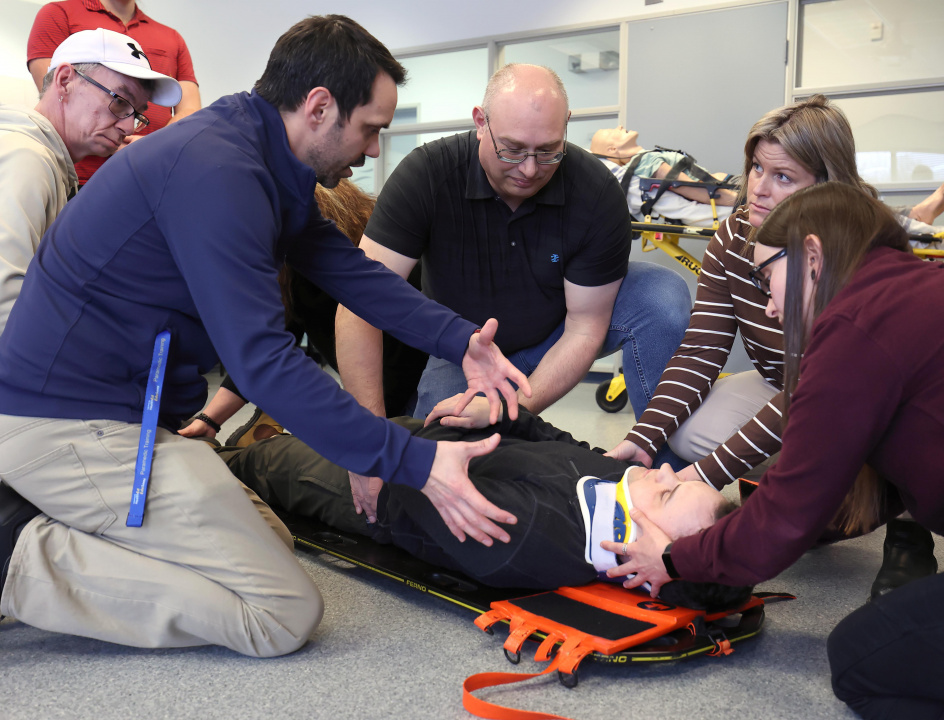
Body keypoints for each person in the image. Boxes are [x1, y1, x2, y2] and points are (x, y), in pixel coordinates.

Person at [0, 15, 531, 657]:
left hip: (129, 417)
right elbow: (262, 363)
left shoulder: (255, 152)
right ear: (319, 107)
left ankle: (80, 524)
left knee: (271, 548)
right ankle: (14, 559)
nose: (370, 152)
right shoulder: (216, 169)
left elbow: (344, 268)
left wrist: (459, 339)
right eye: (370, 130)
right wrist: (414, 463)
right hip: (64, 421)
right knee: (280, 615)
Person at [604, 182, 944, 718]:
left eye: (766, 278)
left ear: (812, 256)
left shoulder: (853, 328)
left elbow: (786, 520)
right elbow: (854, 488)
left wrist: (672, 558)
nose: (771, 306)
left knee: (859, 660)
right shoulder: (942, 285)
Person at [607, 95, 944, 598]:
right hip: (783, 386)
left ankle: (908, 527)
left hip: (867, 404)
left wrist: (706, 475)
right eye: (755, 169)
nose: (760, 190)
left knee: (863, 483)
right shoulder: (731, 236)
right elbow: (702, 348)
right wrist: (642, 438)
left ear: (826, 184)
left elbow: (822, 388)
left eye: (783, 177)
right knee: (684, 430)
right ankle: (799, 497)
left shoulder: (855, 250)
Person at [335, 63, 691, 505]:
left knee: (662, 296)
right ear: (480, 123)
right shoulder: (427, 174)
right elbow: (359, 306)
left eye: (548, 151)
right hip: (463, 350)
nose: (529, 169)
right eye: (512, 149)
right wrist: (368, 445)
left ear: (566, 130)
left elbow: (585, 326)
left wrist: (513, 407)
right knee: (429, 474)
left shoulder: (595, 192)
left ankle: (668, 480)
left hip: (555, 333)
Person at [218, 396, 745, 609]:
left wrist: (438, 428)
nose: (668, 469)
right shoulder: (617, 483)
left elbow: (418, 483)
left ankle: (242, 452)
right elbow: (547, 437)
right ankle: (266, 437)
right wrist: (492, 411)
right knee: (308, 423)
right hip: (408, 444)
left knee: (242, 469)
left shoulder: (527, 538)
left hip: (368, 487)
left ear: (640, 548)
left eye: (671, 491)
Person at [178, 181, 428, 442]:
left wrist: (364, 430)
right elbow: (263, 348)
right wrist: (210, 420)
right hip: (376, 391)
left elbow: (401, 368)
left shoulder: (378, 258)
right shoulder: (293, 273)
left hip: (412, 387)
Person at [0, 27, 180, 334]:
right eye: (120, 100)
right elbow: (6, 305)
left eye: (137, 112)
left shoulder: (48, 161)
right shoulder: (27, 158)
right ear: (65, 81)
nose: (128, 125)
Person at [27, 0, 201, 185]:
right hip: (79, 175)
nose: (128, 127)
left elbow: (191, 111)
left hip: (148, 178)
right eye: (119, 101)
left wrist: (152, 147)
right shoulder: (59, 13)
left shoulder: (171, 38)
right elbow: (53, 93)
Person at [589, 126, 738, 226]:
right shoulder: (644, 163)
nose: (620, 127)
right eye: (610, 131)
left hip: (729, 184)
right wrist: (741, 202)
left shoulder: (645, 158)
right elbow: (694, 190)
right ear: (613, 149)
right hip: (731, 193)